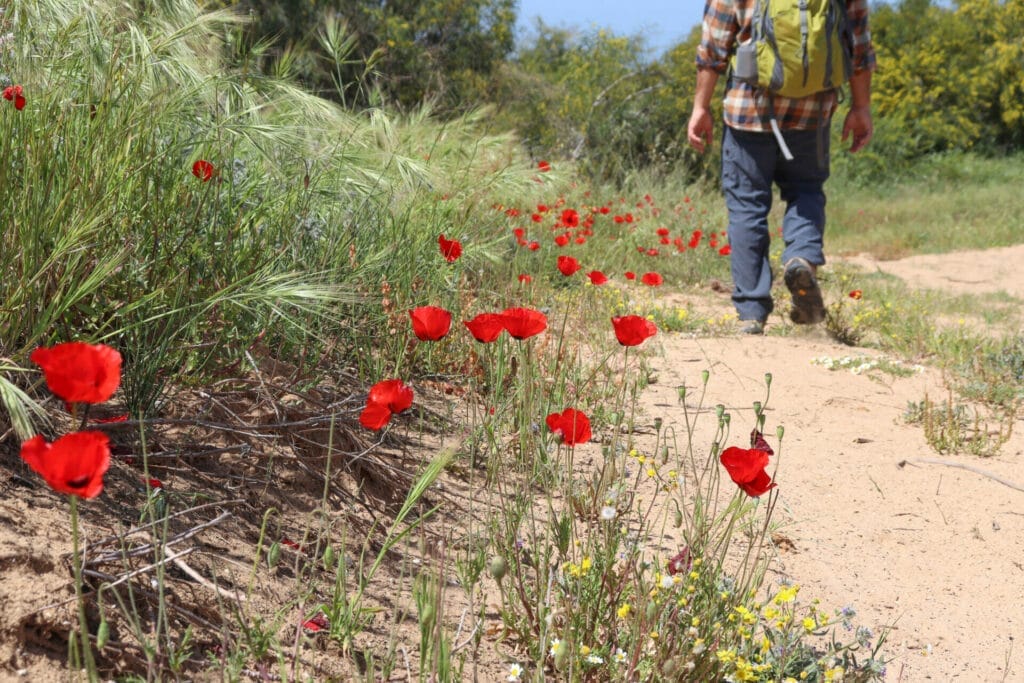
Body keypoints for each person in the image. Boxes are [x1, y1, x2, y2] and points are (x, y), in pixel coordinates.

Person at [687, 0, 876, 335]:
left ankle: (751, 311)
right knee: (805, 190)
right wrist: (861, 107)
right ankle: (801, 258)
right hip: (813, 113)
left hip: (749, 110)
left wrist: (701, 107)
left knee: (747, 205)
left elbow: (713, 48)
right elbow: (859, 49)